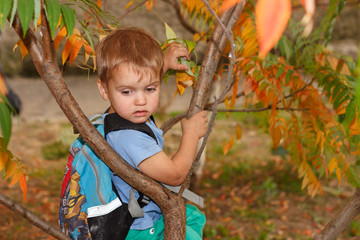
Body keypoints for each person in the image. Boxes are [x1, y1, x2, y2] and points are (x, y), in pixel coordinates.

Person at [96, 27, 207, 239]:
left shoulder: (121, 113)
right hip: (140, 229)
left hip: (141, 216)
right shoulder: (130, 138)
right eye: (127, 92)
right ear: (104, 90)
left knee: (193, 217)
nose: (141, 101)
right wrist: (191, 135)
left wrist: (163, 64)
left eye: (150, 89)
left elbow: (139, 80)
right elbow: (175, 175)